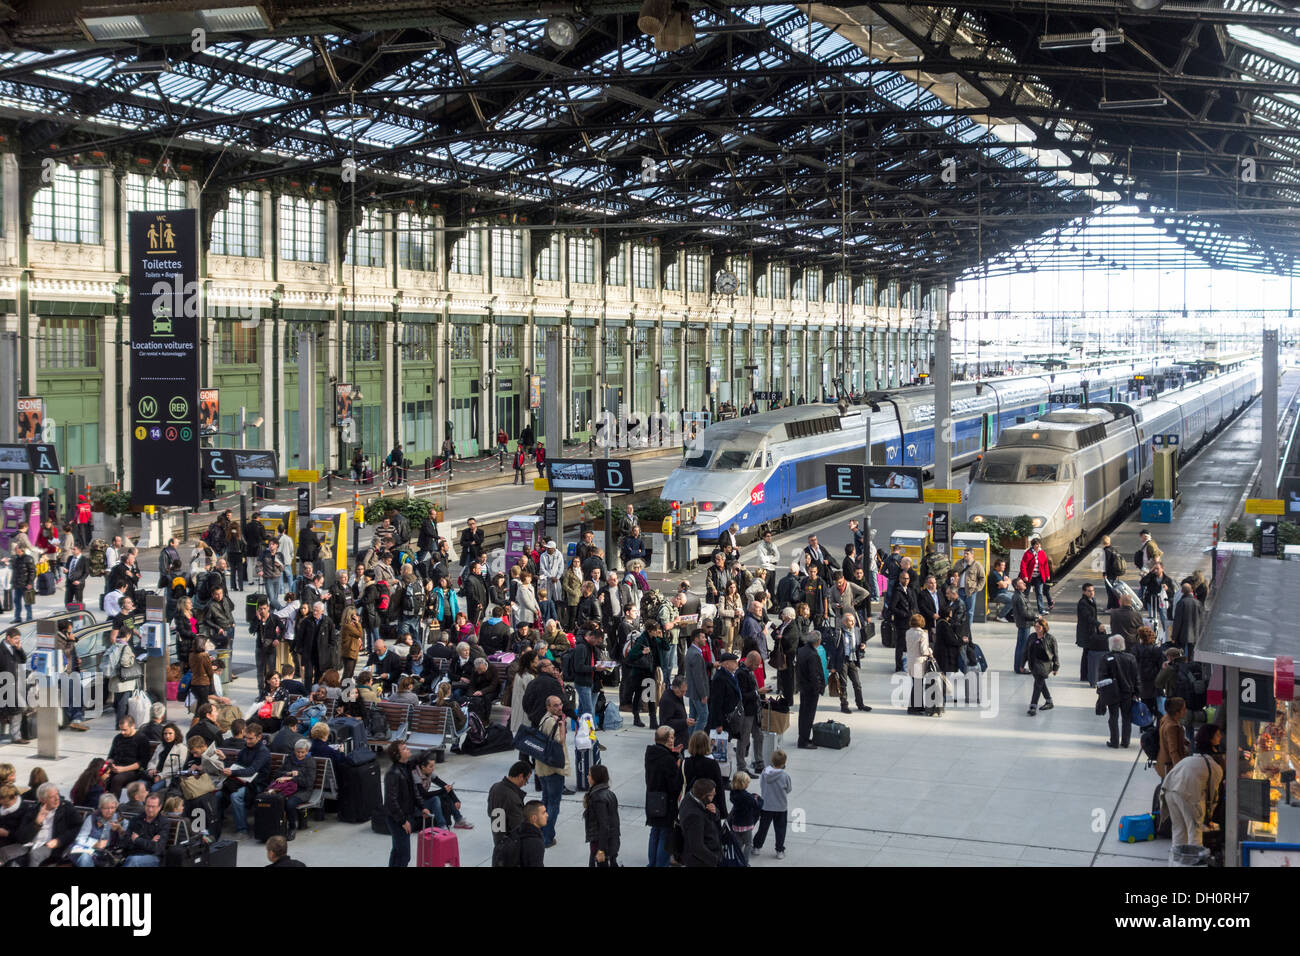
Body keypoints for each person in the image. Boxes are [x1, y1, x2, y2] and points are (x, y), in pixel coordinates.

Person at [1160, 724, 1223, 865]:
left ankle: (1174, 864)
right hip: (1186, 795)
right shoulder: (1215, 767)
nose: (1221, 737)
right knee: (1195, 833)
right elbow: (1213, 796)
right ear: (1211, 739)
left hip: (1169, 789)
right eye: (1218, 735)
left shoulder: (1193, 758)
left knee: (1178, 831)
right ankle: (1193, 864)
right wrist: (1209, 816)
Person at [220, 721, 271, 838]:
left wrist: (232, 772)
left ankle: (242, 829)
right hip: (243, 781)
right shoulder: (246, 748)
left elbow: (251, 771)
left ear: (259, 737)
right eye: (246, 738)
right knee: (219, 794)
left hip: (257, 784)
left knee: (235, 796)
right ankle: (217, 823)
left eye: (250, 739)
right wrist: (224, 759)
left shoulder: (263, 752)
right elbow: (238, 764)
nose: (247, 741)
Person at [535, 694, 569, 849]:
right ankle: (547, 837)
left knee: (546, 802)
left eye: (560, 704)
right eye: (555, 705)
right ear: (548, 707)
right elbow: (559, 741)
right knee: (553, 805)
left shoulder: (544, 718)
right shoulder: (552, 721)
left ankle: (542, 833)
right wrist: (562, 725)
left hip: (542, 768)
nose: (559, 707)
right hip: (553, 769)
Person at [17, 782, 79, 866]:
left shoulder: (66, 808)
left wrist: (59, 841)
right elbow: (22, 837)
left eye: (57, 794)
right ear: (42, 800)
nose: (57, 798)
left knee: (35, 855)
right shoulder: (33, 810)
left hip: (52, 847)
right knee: (13, 862)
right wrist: (37, 823)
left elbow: (77, 828)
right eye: (52, 797)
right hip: (31, 845)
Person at [1096, 635, 1138, 747]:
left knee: (1113, 717)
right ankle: (1125, 741)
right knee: (1126, 717)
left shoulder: (1105, 658)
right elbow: (1135, 677)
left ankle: (1114, 741)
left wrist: (1100, 693)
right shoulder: (1131, 658)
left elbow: (1101, 678)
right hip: (1127, 692)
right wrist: (1136, 692)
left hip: (1112, 693)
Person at [383, 740, 417, 867]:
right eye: (404, 748)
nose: (408, 749)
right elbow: (391, 801)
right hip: (396, 818)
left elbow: (413, 790)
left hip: (405, 814)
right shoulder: (393, 773)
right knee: (404, 854)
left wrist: (422, 807)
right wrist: (403, 821)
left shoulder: (407, 768)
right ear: (397, 755)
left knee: (397, 851)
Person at [70, 793, 123, 868]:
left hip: (109, 853)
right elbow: (79, 839)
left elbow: (127, 840)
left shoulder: (119, 819)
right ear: (101, 808)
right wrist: (94, 844)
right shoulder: (92, 818)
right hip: (91, 851)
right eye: (106, 808)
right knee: (85, 858)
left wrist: (120, 830)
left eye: (113, 808)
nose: (110, 811)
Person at [679, 777, 722, 867]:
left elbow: (711, 816)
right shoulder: (694, 816)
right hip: (700, 861)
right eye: (712, 794)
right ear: (704, 796)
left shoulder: (692, 796)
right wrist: (715, 860)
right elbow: (696, 847)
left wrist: (715, 812)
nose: (715, 795)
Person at [582, 763, 620, 867]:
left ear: (595, 778)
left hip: (601, 844)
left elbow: (604, 825)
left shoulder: (597, 798)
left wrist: (601, 850)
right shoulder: (609, 794)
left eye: (589, 775)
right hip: (611, 841)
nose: (587, 777)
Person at [105, 715, 152, 795]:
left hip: (134, 770)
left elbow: (143, 763)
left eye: (125, 730)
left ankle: (113, 803)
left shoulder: (141, 739)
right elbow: (111, 756)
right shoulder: (118, 738)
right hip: (117, 767)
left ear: (133, 726)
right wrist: (109, 764)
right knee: (95, 774)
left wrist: (123, 769)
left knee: (117, 779)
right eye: (121, 730)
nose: (122, 732)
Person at [488, 761, 531, 848]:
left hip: (497, 838)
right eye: (526, 780)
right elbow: (518, 826)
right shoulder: (513, 798)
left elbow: (490, 812)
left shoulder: (495, 787)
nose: (524, 784)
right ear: (520, 776)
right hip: (510, 844)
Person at [118, 792, 167, 867]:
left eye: (153, 807)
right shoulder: (136, 819)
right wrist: (149, 841)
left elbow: (157, 848)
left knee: (133, 861)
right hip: (132, 854)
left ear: (159, 807)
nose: (150, 810)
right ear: (144, 805)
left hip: (153, 857)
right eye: (148, 806)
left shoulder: (163, 823)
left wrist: (137, 840)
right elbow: (126, 841)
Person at [795, 630, 825, 746]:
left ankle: (803, 737)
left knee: (803, 714)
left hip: (803, 686)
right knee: (808, 715)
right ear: (818, 641)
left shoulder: (802, 650)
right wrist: (818, 688)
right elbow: (814, 674)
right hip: (810, 689)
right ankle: (804, 740)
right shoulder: (812, 655)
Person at [1025, 617, 1059, 717]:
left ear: (1044, 627)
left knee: (1037, 684)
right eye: (1035, 626)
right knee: (1040, 683)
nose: (1036, 628)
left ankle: (1033, 706)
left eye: (1038, 627)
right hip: (1034, 664)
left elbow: (1055, 654)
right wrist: (1022, 664)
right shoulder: (1032, 637)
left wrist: (1056, 667)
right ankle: (1049, 701)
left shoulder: (1051, 638)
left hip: (1045, 664)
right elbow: (1026, 651)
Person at [1076, 582, 1109, 684]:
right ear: (1084, 592)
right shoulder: (1083, 603)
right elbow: (1088, 617)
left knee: (1087, 652)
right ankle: (1085, 675)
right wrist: (1098, 624)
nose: (1092, 593)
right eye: (1089, 591)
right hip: (1086, 632)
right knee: (1086, 652)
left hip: (1091, 630)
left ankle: (1086, 675)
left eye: (1093, 590)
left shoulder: (1091, 600)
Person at [903, 613, 934, 715]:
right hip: (919, 662)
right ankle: (913, 707)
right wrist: (930, 650)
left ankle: (918, 706)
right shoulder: (922, 634)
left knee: (916, 684)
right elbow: (923, 650)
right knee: (918, 685)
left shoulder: (908, 632)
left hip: (911, 660)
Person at [0, 627, 27, 744]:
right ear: (8, 638)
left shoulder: (16, 648)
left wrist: (20, 650)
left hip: (14, 685)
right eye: (15, 639)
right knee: (3, 712)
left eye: (18, 639)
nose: (17, 641)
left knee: (19, 709)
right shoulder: (1, 650)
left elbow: (23, 660)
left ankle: (16, 736)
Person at [889, 570, 918, 673]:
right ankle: (899, 666)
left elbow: (913, 604)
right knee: (900, 645)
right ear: (900, 579)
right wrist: (904, 614)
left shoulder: (910, 590)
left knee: (908, 645)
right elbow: (892, 607)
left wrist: (913, 613)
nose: (906, 580)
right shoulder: (897, 591)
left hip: (910, 622)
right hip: (901, 623)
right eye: (904, 578)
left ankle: (906, 665)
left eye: (907, 579)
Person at [1019, 537, 1053, 614]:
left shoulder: (1042, 553)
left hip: (1038, 577)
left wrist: (1047, 575)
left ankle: (1041, 609)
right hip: (1029, 577)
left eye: (1039, 544)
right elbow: (1023, 565)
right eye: (1036, 544)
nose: (1038, 546)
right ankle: (1026, 609)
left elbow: (1045, 565)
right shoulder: (1028, 553)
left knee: (1039, 593)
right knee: (1026, 593)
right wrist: (1025, 575)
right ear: (1033, 545)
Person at [951, 547, 985, 621]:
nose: (965, 555)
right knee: (959, 610)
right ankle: (959, 628)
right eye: (964, 553)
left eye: (967, 554)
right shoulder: (958, 563)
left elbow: (982, 578)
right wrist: (953, 584)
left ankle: (968, 630)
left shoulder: (977, 565)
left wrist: (977, 589)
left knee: (969, 612)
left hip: (971, 591)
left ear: (972, 555)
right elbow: (952, 574)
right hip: (959, 590)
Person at [1169, 582, 1204, 651]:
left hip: (1182, 635)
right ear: (1191, 590)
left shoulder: (1181, 603)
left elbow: (1177, 621)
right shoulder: (1198, 603)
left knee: (1181, 655)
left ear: (1182, 591)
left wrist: (1174, 636)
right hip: (1195, 634)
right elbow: (1202, 620)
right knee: (1192, 656)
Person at [1100, 535, 1124, 609]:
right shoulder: (1113, 549)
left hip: (1109, 574)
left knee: (1110, 591)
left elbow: (1105, 563)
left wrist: (1104, 573)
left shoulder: (1105, 551)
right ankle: (1114, 606)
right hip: (1114, 573)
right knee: (1114, 591)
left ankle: (1111, 607)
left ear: (1103, 542)